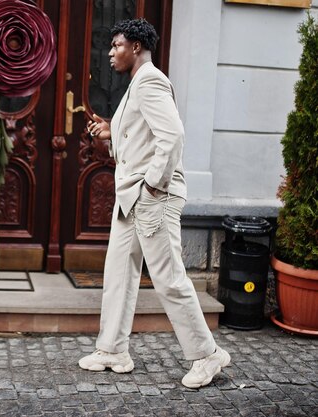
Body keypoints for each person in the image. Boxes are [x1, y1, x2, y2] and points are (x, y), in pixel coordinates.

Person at [79, 18, 230, 389]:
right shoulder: (137, 85)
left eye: (116, 45)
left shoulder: (150, 80)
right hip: (132, 198)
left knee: (169, 279)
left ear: (135, 47)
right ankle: (113, 349)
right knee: (118, 272)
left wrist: (152, 186)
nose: (111, 52)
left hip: (150, 197)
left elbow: (172, 136)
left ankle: (206, 355)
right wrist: (110, 130)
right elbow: (141, 135)